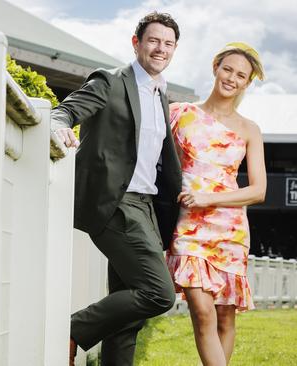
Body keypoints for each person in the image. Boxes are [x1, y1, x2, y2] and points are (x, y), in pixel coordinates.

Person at [51, 11, 182, 366]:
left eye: (168, 44)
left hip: (147, 206)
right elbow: (64, 111)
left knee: (129, 310)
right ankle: (68, 330)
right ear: (136, 42)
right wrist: (59, 126)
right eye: (153, 40)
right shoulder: (111, 82)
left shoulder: (160, 93)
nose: (161, 49)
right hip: (116, 203)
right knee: (158, 293)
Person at [166, 42, 267, 366]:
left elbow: (258, 190)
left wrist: (209, 198)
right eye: (228, 69)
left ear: (246, 83)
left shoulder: (250, 129)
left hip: (230, 231)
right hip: (188, 227)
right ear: (215, 67)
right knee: (202, 311)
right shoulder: (179, 113)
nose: (232, 78)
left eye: (241, 75)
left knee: (225, 318)